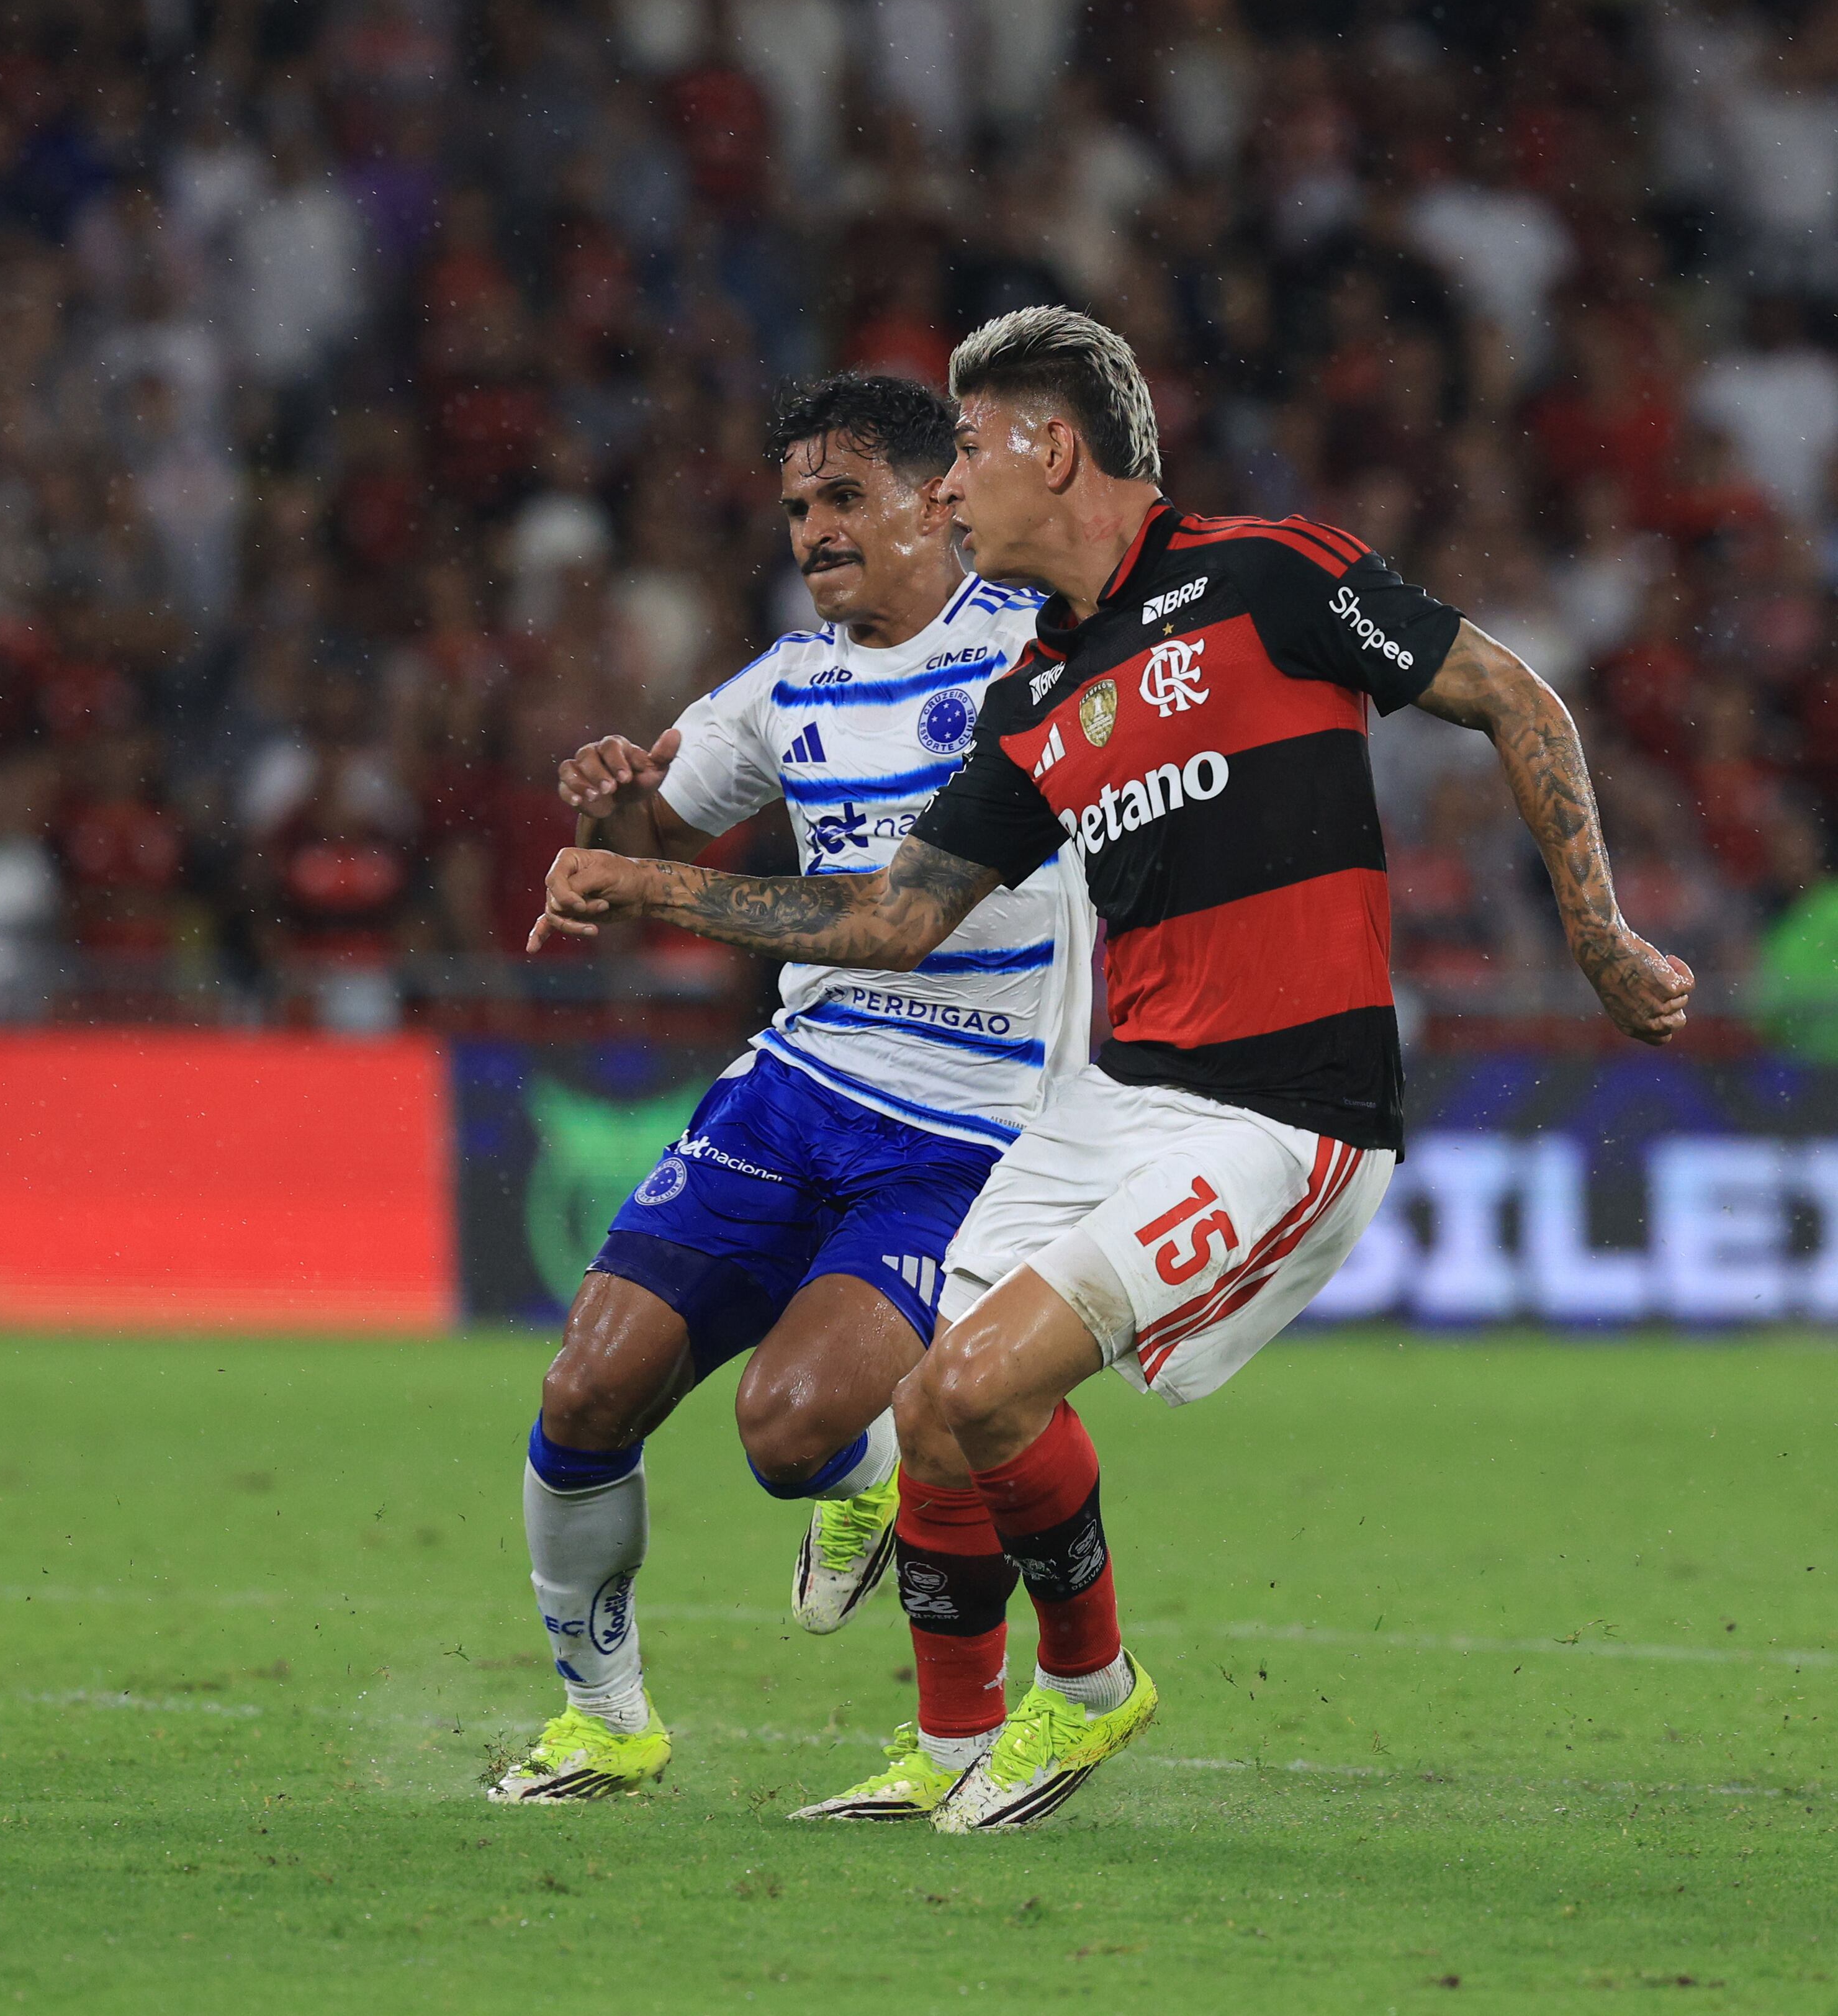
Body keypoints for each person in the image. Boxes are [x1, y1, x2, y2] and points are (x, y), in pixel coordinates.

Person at [534, 307, 1689, 1832]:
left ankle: (1084, 1692)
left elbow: (1511, 697)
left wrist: (1598, 932)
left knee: (976, 1387)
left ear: (1052, 449)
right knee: (940, 1405)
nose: (943, 496)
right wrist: (660, 884)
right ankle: (947, 1744)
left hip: (1282, 1112)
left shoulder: (1270, 575)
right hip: (1106, 1105)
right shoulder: (1037, 700)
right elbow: (891, 916)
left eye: (963, 462)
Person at [487, 372, 1093, 1802]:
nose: (814, 531)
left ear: (934, 499)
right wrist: (611, 803)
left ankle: (894, 1496)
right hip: (795, 1086)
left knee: (786, 1426)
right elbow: (658, 828)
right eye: (796, 510)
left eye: (842, 499)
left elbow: (898, 907)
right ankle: (606, 1720)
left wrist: (649, 876)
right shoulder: (784, 683)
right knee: (586, 1390)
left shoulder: (1038, 646)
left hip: (971, 1121)